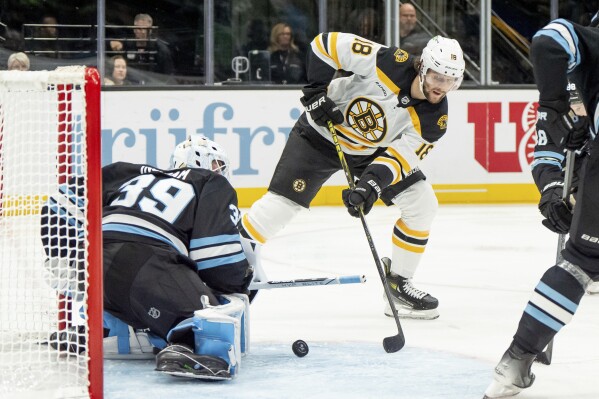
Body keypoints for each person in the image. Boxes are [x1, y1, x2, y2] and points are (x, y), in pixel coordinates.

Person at [240, 33, 465, 320]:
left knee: (422, 205)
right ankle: (227, 256)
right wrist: (316, 92)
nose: (441, 88)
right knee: (281, 206)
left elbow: (398, 157)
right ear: (422, 67)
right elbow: (325, 45)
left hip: (369, 153)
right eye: (436, 77)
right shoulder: (388, 60)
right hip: (319, 135)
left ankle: (398, 284)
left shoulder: (435, 120)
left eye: (450, 81)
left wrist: (369, 185)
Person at [41, 135, 254, 380]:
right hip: (146, 262)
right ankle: (183, 346)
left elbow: (58, 205)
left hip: (91, 260)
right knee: (209, 315)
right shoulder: (210, 183)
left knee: (137, 289)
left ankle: (105, 330)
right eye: (215, 164)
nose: (218, 171)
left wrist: (63, 256)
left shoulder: (131, 173)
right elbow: (216, 260)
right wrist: (240, 284)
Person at [483, 18, 597, 398]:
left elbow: (550, 39)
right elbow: (547, 153)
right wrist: (553, 194)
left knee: (578, 264)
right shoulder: (566, 91)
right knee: (581, 262)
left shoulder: (583, 56)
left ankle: (516, 361)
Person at [110, 13, 175, 76]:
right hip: (130, 83)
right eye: (139, 29)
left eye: (146, 29)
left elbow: (168, 74)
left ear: (151, 30)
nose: (143, 32)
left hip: (153, 83)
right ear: (134, 29)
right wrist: (111, 43)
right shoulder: (126, 44)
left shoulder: (160, 49)